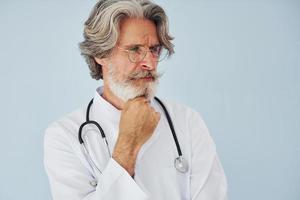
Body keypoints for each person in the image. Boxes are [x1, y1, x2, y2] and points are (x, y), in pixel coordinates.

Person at [44, 0, 228, 199]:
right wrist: (128, 145)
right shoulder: (64, 136)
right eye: (135, 50)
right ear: (100, 54)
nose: (149, 63)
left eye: (154, 50)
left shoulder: (187, 121)